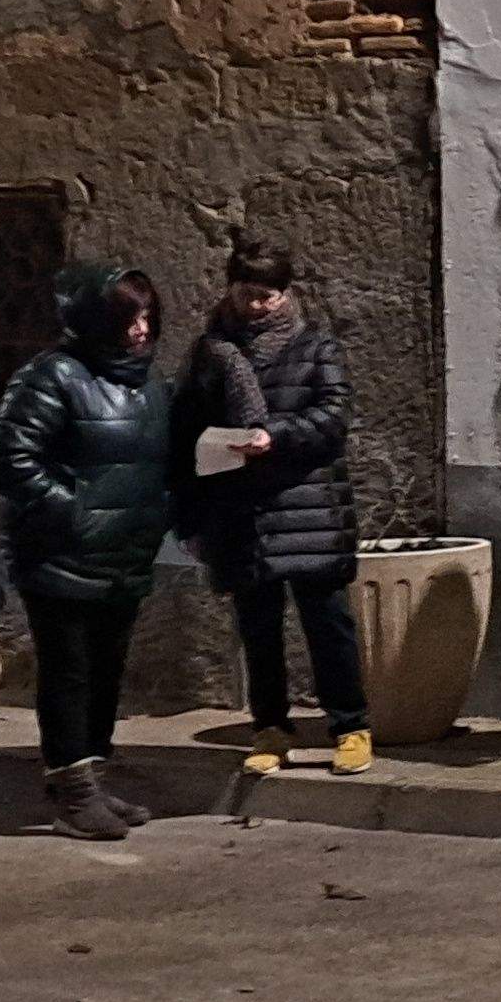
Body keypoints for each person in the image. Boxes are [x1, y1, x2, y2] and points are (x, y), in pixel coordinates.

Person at [0, 261, 175, 843]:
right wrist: (76, 509)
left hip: (125, 555)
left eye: (147, 315)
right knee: (68, 674)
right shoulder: (52, 376)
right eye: (127, 317)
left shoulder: (146, 383)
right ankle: (72, 793)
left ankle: (93, 779)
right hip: (62, 557)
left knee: (105, 674)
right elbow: (10, 459)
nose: (141, 329)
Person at [181, 236, 366, 777]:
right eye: (247, 294)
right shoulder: (211, 351)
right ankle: (270, 729)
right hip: (242, 511)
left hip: (309, 509)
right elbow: (188, 420)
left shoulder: (316, 347)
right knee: (258, 629)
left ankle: (351, 727)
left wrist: (273, 436)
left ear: (286, 295)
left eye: (267, 296)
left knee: (328, 625)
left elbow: (333, 417)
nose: (256, 305)